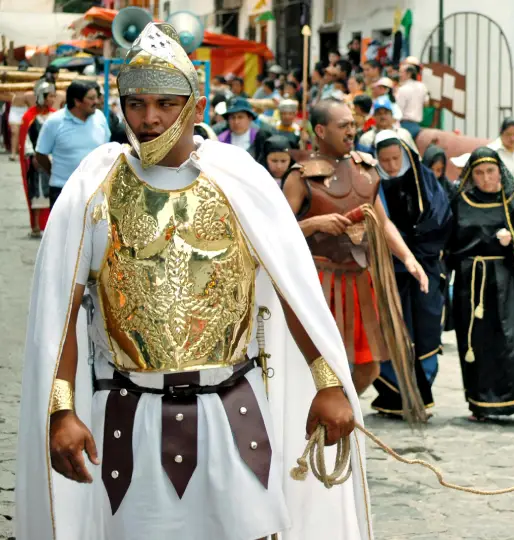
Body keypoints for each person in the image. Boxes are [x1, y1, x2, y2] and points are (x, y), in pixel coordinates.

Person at [16, 23, 371, 540]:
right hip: (128, 419)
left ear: (197, 105)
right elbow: (62, 314)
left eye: (165, 102)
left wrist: (328, 381)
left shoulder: (240, 183)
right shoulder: (95, 191)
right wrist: (61, 410)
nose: (150, 117)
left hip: (234, 415)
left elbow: (292, 288)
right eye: (136, 103)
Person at [283, 100, 428, 400]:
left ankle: (340, 418)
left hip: (360, 278)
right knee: (313, 367)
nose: (352, 130)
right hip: (317, 282)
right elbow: (274, 235)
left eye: (352, 124)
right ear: (321, 130)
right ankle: (311, 424)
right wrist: (314, 224)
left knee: (369, 368)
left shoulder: (365, 169)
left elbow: (383, 223)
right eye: (343, 125)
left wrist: (408, 257)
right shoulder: (300, 177)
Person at [447, 147, 514, 420]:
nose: (486, 177)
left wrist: (513, 242)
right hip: (471, 282)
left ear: (500, 171)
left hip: (505, 280)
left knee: (508, 339)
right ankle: (479, 401)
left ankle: (511, 399)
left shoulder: (513, 199)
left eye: (490, 171)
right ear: (471, 175)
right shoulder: (460, 200)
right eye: (479, 172)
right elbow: (450, 241)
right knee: (476, 342)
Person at [370, 131, 452, 416]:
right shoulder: (372, 183)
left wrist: (413, 246)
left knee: (426, 329)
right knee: (393, 330)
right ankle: (393, 395)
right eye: (385, 160)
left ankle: (421, 393)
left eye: (396, 158)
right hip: (387, 268)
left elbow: (441, 219)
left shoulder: (425, 180)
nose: (391, 165)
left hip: (424, 266)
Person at [35, 80, 110, 208]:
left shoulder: (100, 118)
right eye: (91, 98)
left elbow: (106, 148)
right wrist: (56, 173)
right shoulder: (54, 122)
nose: (96, 102)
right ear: (77, 101)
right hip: (62, 190)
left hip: (96, 191)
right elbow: (41, 154)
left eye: (96, 97)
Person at [18, 81, 56, 236]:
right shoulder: (29, 116)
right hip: (35, 160)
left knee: (53, 192)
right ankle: (35, 226)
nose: (53, 99)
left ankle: (51, 225)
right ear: (42, 97)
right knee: (36, 192)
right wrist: (32, 155)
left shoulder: (54, 115)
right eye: (50, 96)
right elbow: (26, 139)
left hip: (53, 159)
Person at [396, 64, 428, 142]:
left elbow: (398, 112)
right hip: (417, 126)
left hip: (404, 126)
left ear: (409, 74)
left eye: (401, 72)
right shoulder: (422, 86)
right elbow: (426, 104)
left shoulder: (402, 89)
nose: (399, 75)